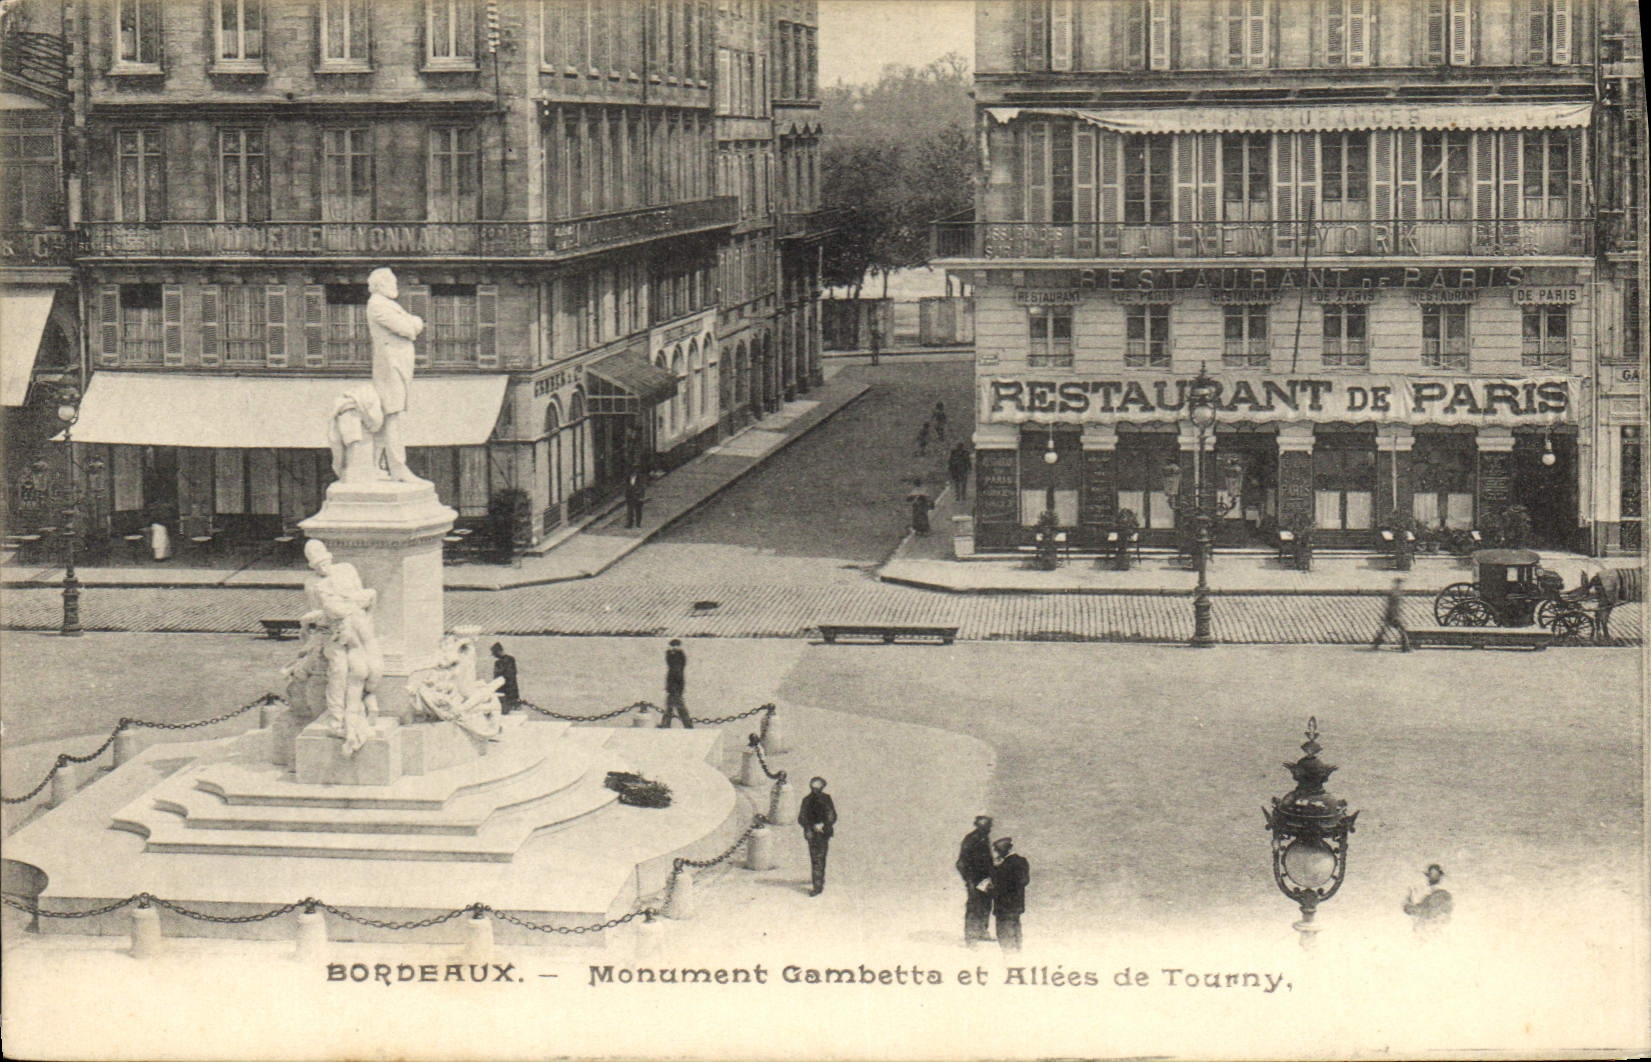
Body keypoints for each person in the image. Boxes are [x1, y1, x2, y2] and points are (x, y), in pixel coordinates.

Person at [366, 267, 426, 483]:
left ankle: (373, 465)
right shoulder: (378, 305)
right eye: (391, 282)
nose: (396, 286)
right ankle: (398, 467)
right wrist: (414, 324)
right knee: (392, 416)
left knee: (387, 417)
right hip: (390, 366)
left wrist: (413, 323)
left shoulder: (387, 304)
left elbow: (412, 323)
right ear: (380, 285)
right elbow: (408, 328)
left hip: (398, 365)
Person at [956, 815, 995, 946]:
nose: (988, 829)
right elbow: (961, 863)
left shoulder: (984, 838)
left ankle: (982, 931)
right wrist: (969, 880)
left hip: (985, 879)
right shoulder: (971, 839)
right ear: (978, 826)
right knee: (974, 906)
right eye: (985, 826)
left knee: (986, 905)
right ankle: (971, 938)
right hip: (974, 879)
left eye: (989, 826)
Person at [798, 776, 838, 896]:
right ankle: (818, 884)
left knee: (818, 858)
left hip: (822, 832)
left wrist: (823, 824)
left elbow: (832, 815)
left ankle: (818, 883)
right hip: (813, 833)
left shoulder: (826, 799)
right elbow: (801, 818)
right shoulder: (807, 800)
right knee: (817, 858)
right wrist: (813, 825)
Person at [989, 837, 1030, 953]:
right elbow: (1024, 881)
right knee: (1016, 931)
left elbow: (999, 883)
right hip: (1017, 904)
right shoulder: (1022, 861)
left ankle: (1010, 959)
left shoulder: (1003, 865)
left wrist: (995, 871)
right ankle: (1018, 955)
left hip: (1003, 905)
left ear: (1003, 850)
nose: (996, 852)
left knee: (1004, 935)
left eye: (997, 850)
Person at [1403, 863, 1453, 938]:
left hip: (1431, 932)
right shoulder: (1432, 896)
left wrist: (1409, 904)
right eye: (1430, 875)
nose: (1429, 879)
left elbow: (1422, 911)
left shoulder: (1440, 895)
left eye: (1434, 875)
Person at [658, 638, 693, 728]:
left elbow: (677, 673)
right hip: (673, 686)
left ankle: (685, 725)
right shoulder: (674, 656)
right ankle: (667, 724)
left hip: (675, 687)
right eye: (673, 646)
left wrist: (676, 688)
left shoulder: (678, 658)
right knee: (672, 707)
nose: (674, 648)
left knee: (677, 707)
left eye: (676, 646)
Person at [1370, 577, 1411, 652]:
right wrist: (1395, 615)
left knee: (1384, 630)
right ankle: (1406, 647)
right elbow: (1393, 606)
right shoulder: (1396, 593)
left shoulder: (1394, 592)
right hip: (1393, 615)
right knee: (1402, 630)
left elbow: (1390, 605)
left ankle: (1376, 643)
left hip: (1391, 615)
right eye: (1400, 583)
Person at [491, 642, 520, 714]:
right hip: (512, 690)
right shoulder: (511, 659)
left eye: (494, 653)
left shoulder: (498, 663)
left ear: (498, 652)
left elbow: (497, 677)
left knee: (503, 711)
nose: (494, 656)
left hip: (503, 691)